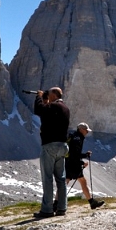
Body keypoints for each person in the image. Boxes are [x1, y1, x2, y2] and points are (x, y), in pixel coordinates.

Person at [33, 87, 70, 218]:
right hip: (63, 146)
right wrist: (46, 100)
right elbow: (48, 113)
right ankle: (62, 208)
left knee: (47, 178)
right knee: (61, 179)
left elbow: (39, 110)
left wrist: (39, 97)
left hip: (50, 145)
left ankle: (47, 209)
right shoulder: (65, 108)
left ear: (54, 95)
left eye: (49, 93)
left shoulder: (53, 106)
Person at [67, 122, 104, 210]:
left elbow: (72, 153)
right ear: (81, 129)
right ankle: (57, 203)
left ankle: (92, 202)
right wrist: (84, 157)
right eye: (86, 131)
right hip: (72, 163)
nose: (87, 132)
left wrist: (81, 161)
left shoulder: (73, 136)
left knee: (82, 181)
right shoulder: (78, 138)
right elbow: (74, 153)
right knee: (66, 181)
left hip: (69, 162)